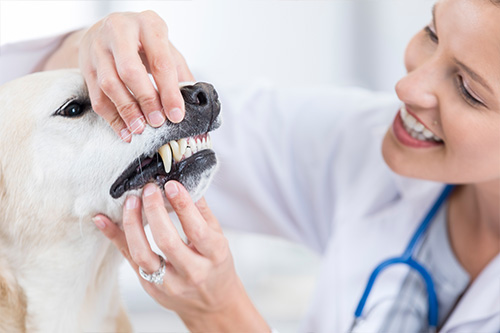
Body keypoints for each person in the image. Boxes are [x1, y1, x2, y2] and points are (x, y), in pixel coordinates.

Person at [1, 0, 498, 332]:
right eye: (432, 33)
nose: (407, 89)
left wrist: (222, 315)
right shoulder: (364, 142)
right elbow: (190, 121)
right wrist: (94, 49)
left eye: (469, 90)